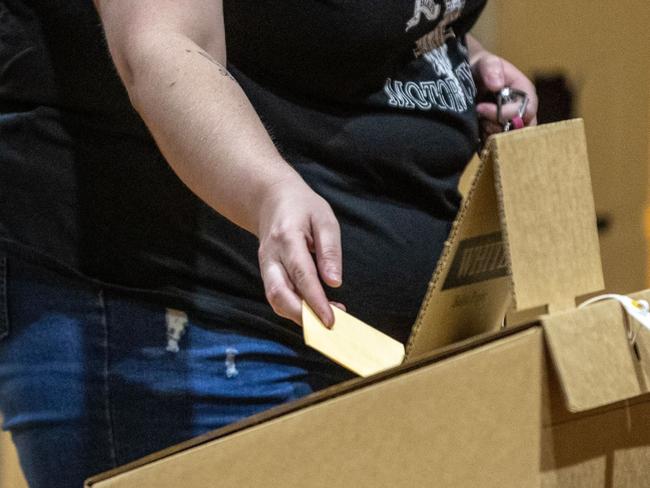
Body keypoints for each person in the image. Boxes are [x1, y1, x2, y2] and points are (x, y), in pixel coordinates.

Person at [0, 0, 538, 486]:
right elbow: (161, 42)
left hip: (382, 341)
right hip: (198, 316)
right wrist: (267, 188)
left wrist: (453, 59)